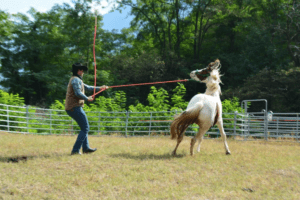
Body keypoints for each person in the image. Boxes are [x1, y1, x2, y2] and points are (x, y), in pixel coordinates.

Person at [65, 63, 108, 155]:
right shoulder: (75, 80)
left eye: (82, 70)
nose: (82, 72)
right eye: (80, 70)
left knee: (84, 128)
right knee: (85, 128)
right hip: (74, 107)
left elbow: (88, 87)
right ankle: (75, 150)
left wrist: (100, 88)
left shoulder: (77, 80)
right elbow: (77, 93)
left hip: (73, 107)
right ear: (77, 71)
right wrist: (87, 98)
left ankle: (86, 148)